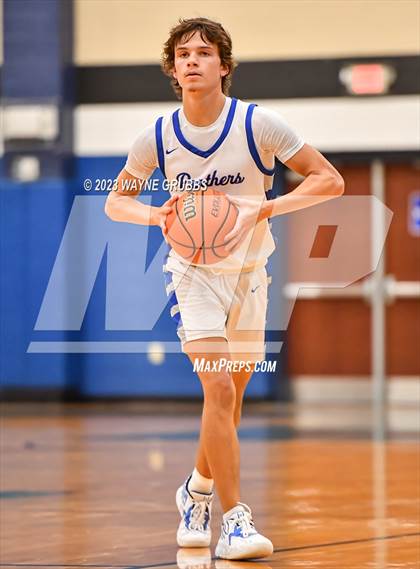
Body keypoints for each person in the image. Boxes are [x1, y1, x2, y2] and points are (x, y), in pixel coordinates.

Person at [105, 17, 344, 560]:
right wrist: (156, 215)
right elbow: (115, 201)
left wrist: (265, 208)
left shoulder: (259, 125)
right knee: (217, 389)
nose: (191, 61)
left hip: (249, 273)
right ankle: (235, 522)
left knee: (230, 401)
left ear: (224, 66)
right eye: (182, 54)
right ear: (173, 70)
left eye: (203, 53)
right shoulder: (157, 137)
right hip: (191, 275)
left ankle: (195, 491)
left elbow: (330, 180)